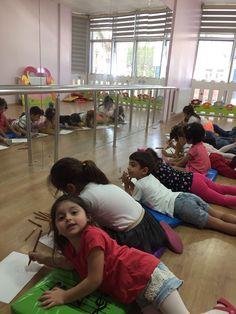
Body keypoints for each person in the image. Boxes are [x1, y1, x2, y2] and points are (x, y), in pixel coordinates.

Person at [28, 195, 236, 314]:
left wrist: (64, 296)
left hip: (147, 276)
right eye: (61, 217)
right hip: (133, 288)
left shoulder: (92, 236)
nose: (69, 219)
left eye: (74, 212)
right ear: (56, 226)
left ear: (88, 217)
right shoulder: (69, 246)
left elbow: (94, 280)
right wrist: (42, 258)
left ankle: (222, 310)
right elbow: (69, 264)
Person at [48, 157, 183, 254]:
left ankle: (159, 236)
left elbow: (82, 228)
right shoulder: (98, 183)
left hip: (136, 237)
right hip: (148, 221)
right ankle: (161, 233)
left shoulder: (85, 198)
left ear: (70, 188)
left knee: (90, 237)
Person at [121, 151, 236, 235]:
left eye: (133, 165)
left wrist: (126, 184)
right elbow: (142, 189)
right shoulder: (150, 177)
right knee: (220, 216)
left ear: (144, 170)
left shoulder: (140, 185)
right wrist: (130, 182)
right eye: (129, 164)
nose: (129, 167)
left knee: (220, 225)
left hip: (181, 207)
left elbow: (132, 202)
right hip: (185, 196)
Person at [146, 148, 236, 209]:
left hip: (194, 185)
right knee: (221, 188)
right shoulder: (161, 163)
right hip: (195, 176)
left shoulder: (156, 173)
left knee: (222, 199)